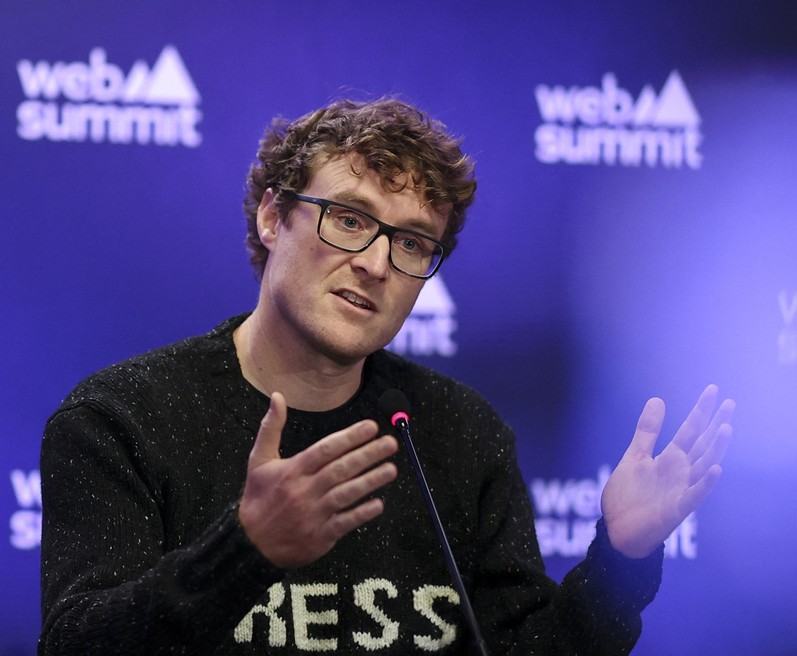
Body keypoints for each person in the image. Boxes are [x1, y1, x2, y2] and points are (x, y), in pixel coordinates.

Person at [39, 98, 734, 655]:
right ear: (273, 216)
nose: (375, 264)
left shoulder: (461, 435)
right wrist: (244, 551)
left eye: (410, 243)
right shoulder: (122, 419)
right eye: (349, 219)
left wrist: (621, 559)